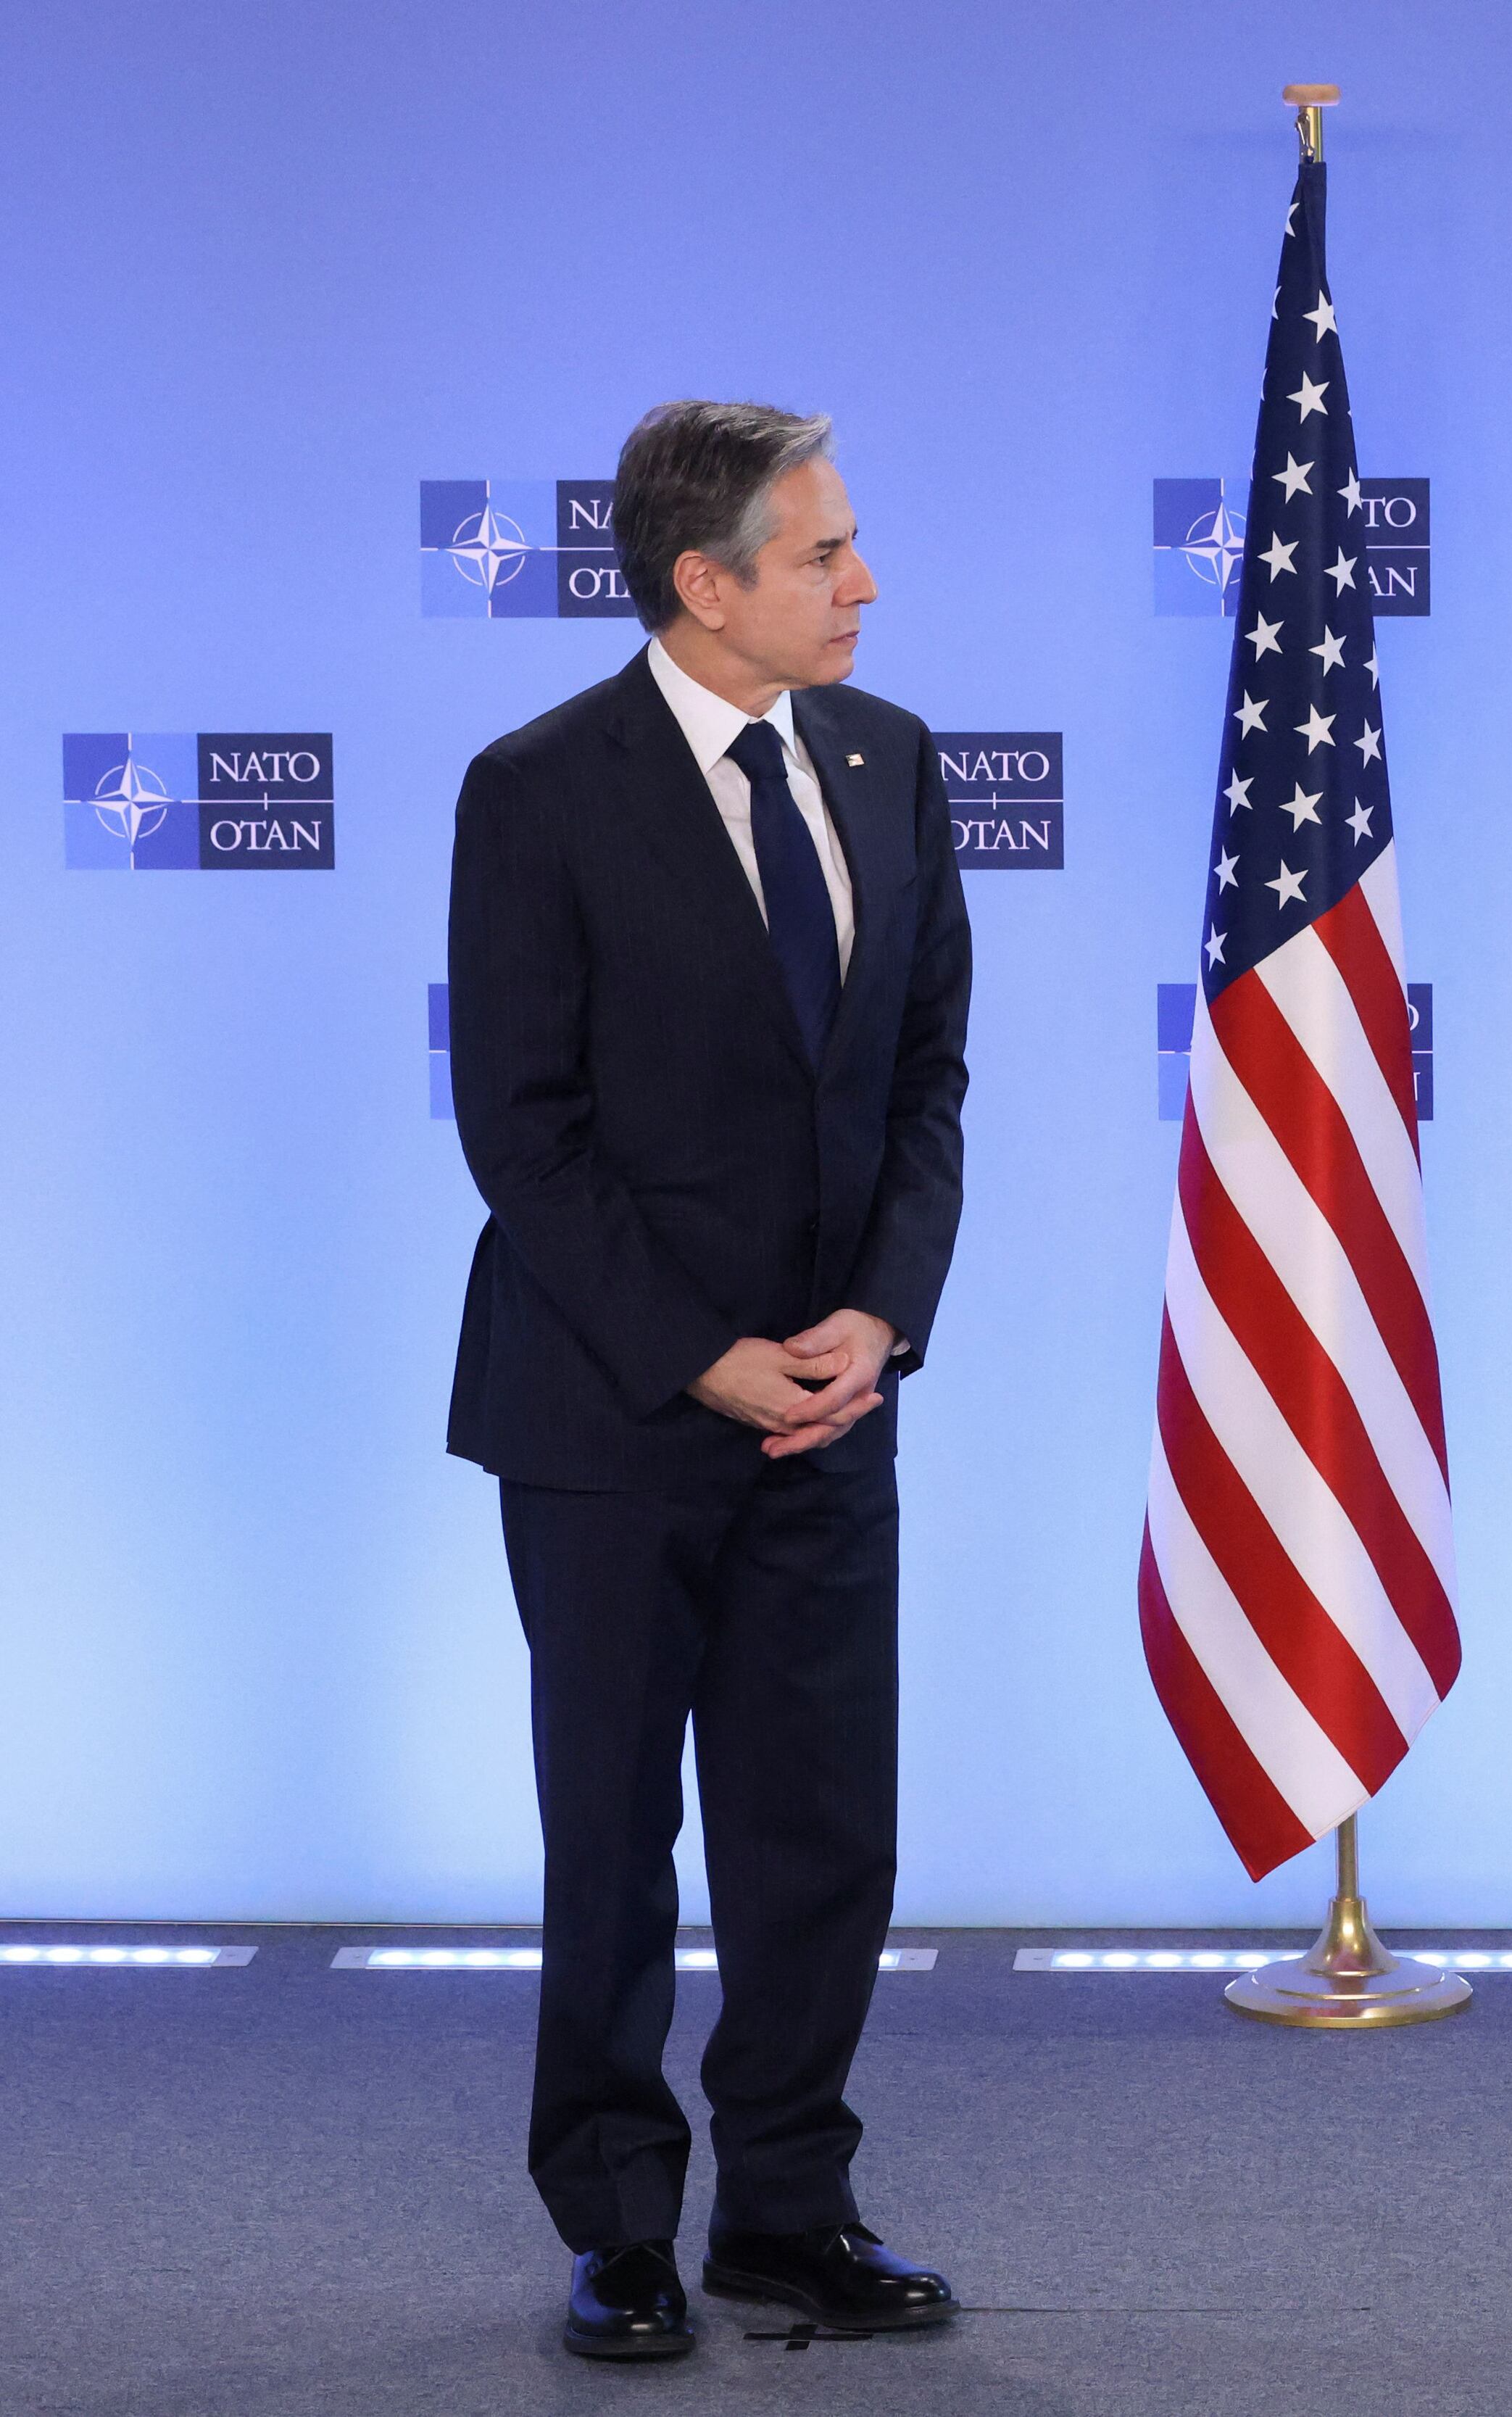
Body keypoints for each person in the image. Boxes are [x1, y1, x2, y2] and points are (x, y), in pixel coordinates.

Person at [445, 400, 973, 2359]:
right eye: (824, 553)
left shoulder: (892, 762)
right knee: (612, 1833)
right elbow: (526, 1130)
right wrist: (702, 1355)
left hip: (837, 1413)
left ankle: (787, 2211)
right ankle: (615, 2224)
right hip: (608, 1418)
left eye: (849, 546)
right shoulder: (540, 789)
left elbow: (926, 1084)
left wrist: (882, 1319)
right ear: (706, 582)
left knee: (820, 1832)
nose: (864, 583)